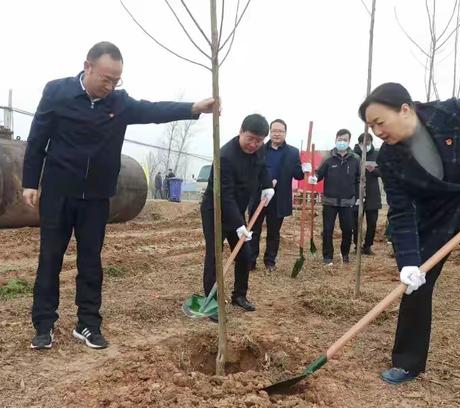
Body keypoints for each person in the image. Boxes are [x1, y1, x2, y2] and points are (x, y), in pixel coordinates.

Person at [23, 41, 215, 350]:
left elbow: (154, 110)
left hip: (97, 198)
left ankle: (87, 324)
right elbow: (36, 139)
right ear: (87, 67)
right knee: (49, 259)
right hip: (58, 193)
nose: (111, 85)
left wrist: (193, 108)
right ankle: (44, 325)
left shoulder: (119, 103)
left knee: (90, 262)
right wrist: (30, 182)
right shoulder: (57, 92)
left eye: (117, 80)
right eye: (106, 78)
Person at [359, 82, 460, 384]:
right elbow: (400, 210)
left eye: (379, 122)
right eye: (371, 126)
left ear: (404, 109)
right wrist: (409, 262)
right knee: (416, 287)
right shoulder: (389, 158)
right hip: (436, 219)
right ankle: (408, 362)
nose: (377, 132)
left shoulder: (449, 113)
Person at [200, 114, 274, 321]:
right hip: (215, 210)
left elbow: (263, 168)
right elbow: (225, 195)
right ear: (240, 132)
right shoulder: (225, 156)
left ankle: (239, 295)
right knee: (214, 256)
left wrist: (267, 185)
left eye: (259, 141)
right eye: (250, 138)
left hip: (237, 209)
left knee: (243, 254)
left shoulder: (259, 150)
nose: (253, 144)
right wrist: (239, 225)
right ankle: (211, 302)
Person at [249, 119, 309, 272]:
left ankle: (270, 262)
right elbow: (252, 170)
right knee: (253, 230)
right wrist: (265, 182)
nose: (276, 134)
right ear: (269, 131)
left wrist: (305, 169)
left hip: (279, 198)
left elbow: (298, 175)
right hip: (259, 196)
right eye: (274, 130)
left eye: (280, 131)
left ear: (285, 133)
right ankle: (250, 261)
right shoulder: (260, 149)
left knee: (274, 232)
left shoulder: (292, 152)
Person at [308, 129, 360, 265]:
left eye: (345, 140)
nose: (342, 142)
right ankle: (327, 256)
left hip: (347, 201)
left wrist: (359, 196)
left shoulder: (355, 159)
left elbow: (359, 179)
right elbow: (320, 174)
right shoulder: (328, 159)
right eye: (340, 139)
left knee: (348, 230)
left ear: (349, 141)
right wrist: (314, 177)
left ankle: (345, 253)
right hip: (329, 201)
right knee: (327, 230)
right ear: (336, 140)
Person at [352, 133, 382, 255]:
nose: (366, 145)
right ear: (359, 143)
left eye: (368, 142)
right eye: (363, 143)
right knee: (356, 221)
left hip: (372, 193)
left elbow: (383, 171)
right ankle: (357, 245)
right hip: (357, 192)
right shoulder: (353, 156)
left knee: (372, 222)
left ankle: (368, 245)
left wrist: (374, 170)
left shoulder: (377, 154)